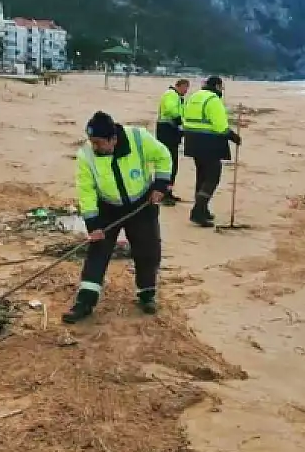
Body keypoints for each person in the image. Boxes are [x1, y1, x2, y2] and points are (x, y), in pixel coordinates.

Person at [62, 111, 172, 324]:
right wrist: (92, 223)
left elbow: (163, 156)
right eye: (92, 142)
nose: (95, 147)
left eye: (99, 143)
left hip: (141, 205)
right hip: (107, 208)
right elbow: (86, 189)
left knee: (147, 250)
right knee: (97, 253)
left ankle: (146, 294)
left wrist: (160, 185)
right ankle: (85, 302)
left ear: (113, 139)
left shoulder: (139, 138)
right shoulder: (86, 155)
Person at [182, 76, 241, 227]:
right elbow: (220, 126)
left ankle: (203, 209)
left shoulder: (194, 97)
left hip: (192, 141)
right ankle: (198, 211)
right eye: (221, 87)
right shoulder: (213, 100)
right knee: (212, 177)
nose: (222, 91)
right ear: (216, 86)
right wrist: (233, 137)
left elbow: (184, 117)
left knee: (201, 176)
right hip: (209, 143)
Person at [155, 78, 189, 205]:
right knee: (169, 163)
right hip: (166, 131)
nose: (186, 91)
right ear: (179, 86)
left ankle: (168, 192)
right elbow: (170, 110)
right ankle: (164, 194)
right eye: (185, 88)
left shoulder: (177, 97)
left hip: (171, 132)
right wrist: (180, 119)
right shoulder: (171, 94)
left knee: (172, 163)